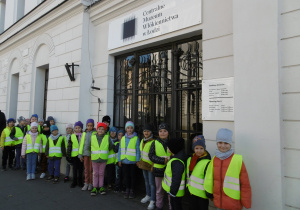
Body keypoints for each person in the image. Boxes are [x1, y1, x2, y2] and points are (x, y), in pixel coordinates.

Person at [204, 128, 252, 210]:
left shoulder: (237, 160)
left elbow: (245, 184)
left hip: (233, 204)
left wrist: (246, 201)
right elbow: (209, 178)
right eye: (220, 142)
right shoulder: (215, 159)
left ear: (230, 144)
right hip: (218, 203)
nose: (223, 146)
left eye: (226, 143)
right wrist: (209, 193)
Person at [148, 123, 171, 210]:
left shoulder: (171, 142)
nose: (163, 133)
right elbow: (151, 155)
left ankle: (171, 206)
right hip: (158, 170)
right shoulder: (155, 143)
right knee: (159, 190)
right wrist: (162, 161)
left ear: (168, 132)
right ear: (158, 133)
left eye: (165, 131)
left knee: (169, 191)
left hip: (169, 171)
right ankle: (159, 205)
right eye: (161, 131)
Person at [186, 135, 211, 210]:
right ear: (193, 149)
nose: (199, 151)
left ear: (204, 149)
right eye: (196, 148)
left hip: (202, 194)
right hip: (191, 191)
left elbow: (209, 179)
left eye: (201, 148)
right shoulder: (190, 159)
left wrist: (209, 193)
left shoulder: (207, 162)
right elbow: (188, 174)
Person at [162, 137, 187, 210]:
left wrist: (172, 192)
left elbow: (176, 179)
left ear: (174, 148)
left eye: (169, 147)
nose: (167, 148)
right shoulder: (176, 157)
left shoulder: (177, 162)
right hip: (175, 191)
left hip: (175, 192)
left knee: (176, 206)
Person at [90, 122, 115, 196]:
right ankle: (94, 187)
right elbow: (89, 146)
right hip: (95, 158)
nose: (100, 130)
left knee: (101, 173)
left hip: (103, 159)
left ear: (105, 130)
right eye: (99, 129)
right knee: (95, 173)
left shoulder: (107, 137)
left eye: (102, 129)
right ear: (97, 130)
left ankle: (101, 187)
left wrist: (105, 150)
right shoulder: (93, 137)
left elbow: (111, 146)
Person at [118, 121, 140, 199]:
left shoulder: (136, 138)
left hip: (132, 161)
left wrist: (137, 160)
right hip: (124, 161)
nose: (129, 129)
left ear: (133, 129)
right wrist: (119, 160)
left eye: (131, 128)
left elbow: (138, 150)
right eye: (128, 128)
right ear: (126, 129)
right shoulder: (123, 138)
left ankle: (132, 190)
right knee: (126, 176)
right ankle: (127, 189)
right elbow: (120, 150)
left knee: (132, 176)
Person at [138, 124, 156, 210]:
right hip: (143, 165)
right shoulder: (142, 141)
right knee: (146, 181)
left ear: (151, 132)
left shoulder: (153, 142)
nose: (146, 132)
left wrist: (153, 165)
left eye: (148, 131)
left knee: (152, 183)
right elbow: (141, 152)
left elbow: (154, 155)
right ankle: (148, 195)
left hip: (150, 166)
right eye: (145, 131)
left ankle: (152, 200)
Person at [78, 119, 96, 191]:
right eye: (88, 126)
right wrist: (80, 155)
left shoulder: (95, 133)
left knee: (92, 169)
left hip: (93, 154)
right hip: (85, 154)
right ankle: (86, 183)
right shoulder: (84, 134)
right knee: (86, 169)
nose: (89, 127)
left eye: (91, 126)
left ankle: (91, 184)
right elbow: (81, 144)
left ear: (93, 126)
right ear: (86, 126)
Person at [69, 121, 84, 188]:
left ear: (81, 129)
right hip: (74, 155)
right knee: (74, 169)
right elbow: (69, 146)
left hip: (81, 156)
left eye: (79, 128)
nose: (77, 129)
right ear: (74, 129)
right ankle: (74, 181)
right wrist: (68, 155)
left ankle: (80, 181)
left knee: (80, 169)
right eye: (76, 128)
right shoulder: (72, 136)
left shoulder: (83, 136)